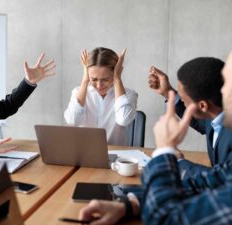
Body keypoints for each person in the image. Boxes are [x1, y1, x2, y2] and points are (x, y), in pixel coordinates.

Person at [79, 52, 232, 225]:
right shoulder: (217, 121)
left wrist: (164, 151)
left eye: (227, 83)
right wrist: (130, 205)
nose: (221, 90)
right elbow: (209, 182)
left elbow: (164, 218)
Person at [148, 57, 232, 179]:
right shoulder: (215, 114)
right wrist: (168, 92)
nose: (182, 101)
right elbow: (198, 122)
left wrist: (178, 161)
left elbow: (221, 179)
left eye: (183, 99)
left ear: (203, 105)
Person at [64, 47, 138, 145]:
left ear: (116, 72)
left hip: (114, 156)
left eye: (105, 79)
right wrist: (85, 80)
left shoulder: (128, 95)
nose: (99, 85)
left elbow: (123, 120)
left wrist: (117, 79)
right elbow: (73, 121)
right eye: (94, 79)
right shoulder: (78, 93)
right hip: (83, 156)